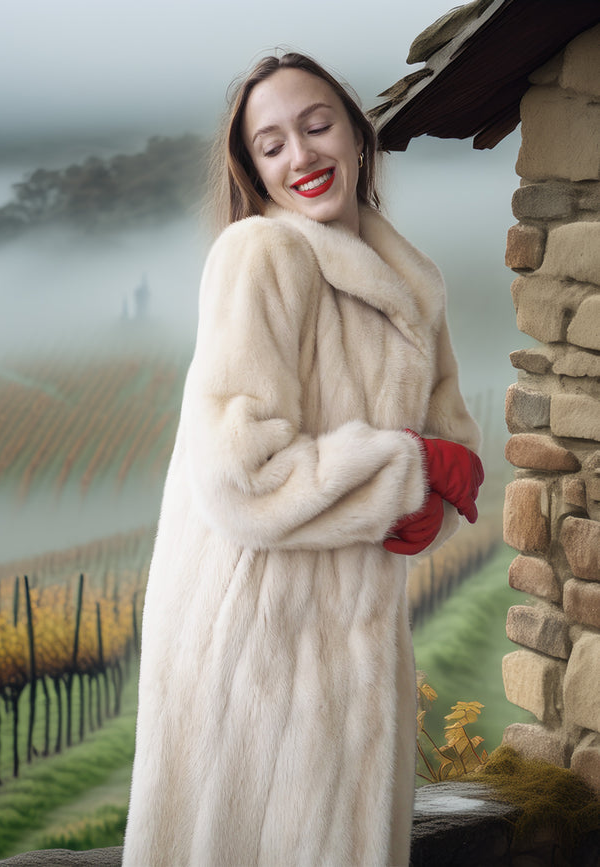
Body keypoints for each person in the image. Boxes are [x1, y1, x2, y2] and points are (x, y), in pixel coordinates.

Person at [123, 51, 483, 867]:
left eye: (318, 126)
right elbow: (239, 476)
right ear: (252, 168)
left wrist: (431, 492)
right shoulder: (260, 255)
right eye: (272, 144)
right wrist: (406, 472)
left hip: (356, 639)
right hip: (254, 643)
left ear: (357, 133)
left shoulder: (413, 284)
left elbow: (448, 440)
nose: (302, 156)